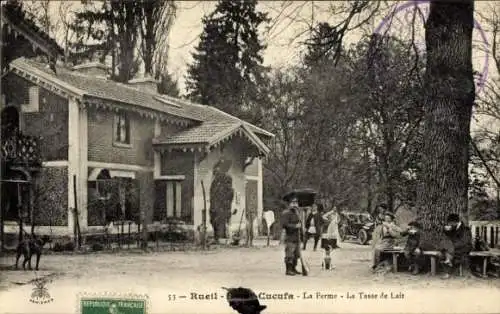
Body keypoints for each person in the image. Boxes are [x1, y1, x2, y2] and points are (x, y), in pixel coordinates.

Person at [439, 213, 472, 279]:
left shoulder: (465, 229)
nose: (449, 225)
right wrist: (446, 230)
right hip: (453, 248)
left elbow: (465, 242)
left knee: (447, 251)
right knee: (443, 251)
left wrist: (452, 246)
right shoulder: (453, 228)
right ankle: (448, 263)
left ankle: (448, 272)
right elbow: (448, 236)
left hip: (464, 248)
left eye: (450, 223)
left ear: (454, 222)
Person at [280, 195, 302, 276]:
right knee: (290, 254)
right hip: (290, 237)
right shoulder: (286, 213)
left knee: (296, 254)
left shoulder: (297, 213)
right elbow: (284, 224)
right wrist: (295, 226)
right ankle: (288, 270)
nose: (295, 204)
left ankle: (293, 268)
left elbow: (299, 224)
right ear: (289, 204)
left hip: (297, 237)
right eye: (293, 202)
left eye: (296, 202)